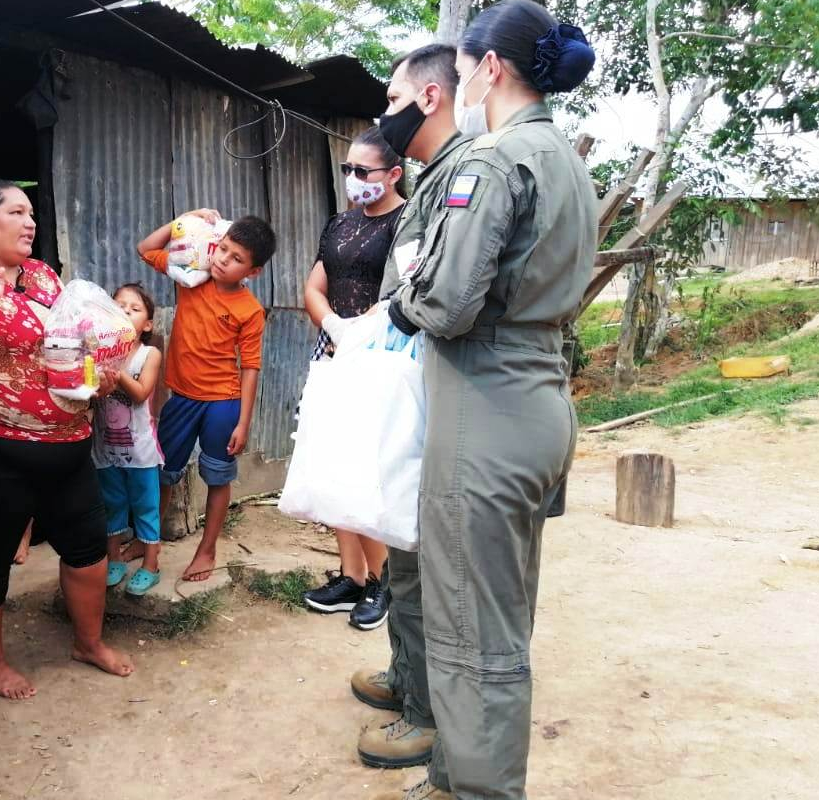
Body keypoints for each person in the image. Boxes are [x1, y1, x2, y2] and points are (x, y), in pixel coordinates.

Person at [381, 4, 599, 798]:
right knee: (494, 612)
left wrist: (403, 299)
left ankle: (476, 790)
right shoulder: (566, 159)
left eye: (467, 66)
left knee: (474, 628)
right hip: (537, 396)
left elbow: (445, 304)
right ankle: (453, 776)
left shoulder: (495, 159)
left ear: (490, 69)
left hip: (485, 401)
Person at [0, 179, 134, 701]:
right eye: (16, 212)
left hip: (70, 442)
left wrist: (100, 366)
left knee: (87, 549)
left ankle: (88, 642)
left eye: (32, 212)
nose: (31, 222)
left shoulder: (42, 276)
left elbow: (70, 339)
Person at [351, 43, 472, 777]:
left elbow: (441, 295)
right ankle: (406, 676)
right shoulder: (437, 176)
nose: (383, 114)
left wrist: (393, 317)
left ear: (428, 98)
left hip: (443, 394)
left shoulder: (468, 173)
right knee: (402, 549)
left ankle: (426, 715)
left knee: (426, 567)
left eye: (393, 98)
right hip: (411, 387)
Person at [301, 125, 406, 631]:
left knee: (368, 470)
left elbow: (408, 295)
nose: (352, 178)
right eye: (347, 169)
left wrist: (360, 332)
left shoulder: (408, 224)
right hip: (332, 353)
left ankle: (385, 579)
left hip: (382, 357)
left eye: (362, 171)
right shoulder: (339, 224)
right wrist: (332, 325)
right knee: (333, 464)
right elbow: (314, 285)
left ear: (394, 175)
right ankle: (352, 577)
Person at [137, 211, 276, 582]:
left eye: (236, 260)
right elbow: (145, 248)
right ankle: (147, 538)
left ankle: (207, 549)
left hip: (222, 403)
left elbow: (250, 367)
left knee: (217, 476)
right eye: (223, 250)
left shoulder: (249, 311)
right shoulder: (190, 275)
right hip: (181, 398)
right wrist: (185, 218)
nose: (222, 261)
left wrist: (244, 422)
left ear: (253, 271)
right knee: (162, 472)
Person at [95, 283, 165, 596]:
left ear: (147, 324)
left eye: (134, 309)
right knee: (112, 506)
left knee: (145, 507)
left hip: (141, 452)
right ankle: (114, 561)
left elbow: (139, 395)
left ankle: (151, 565)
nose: (124, 311)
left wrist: (114, 367)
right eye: (118, 305)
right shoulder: (94, 351)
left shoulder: (149, 354)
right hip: (105, 450)